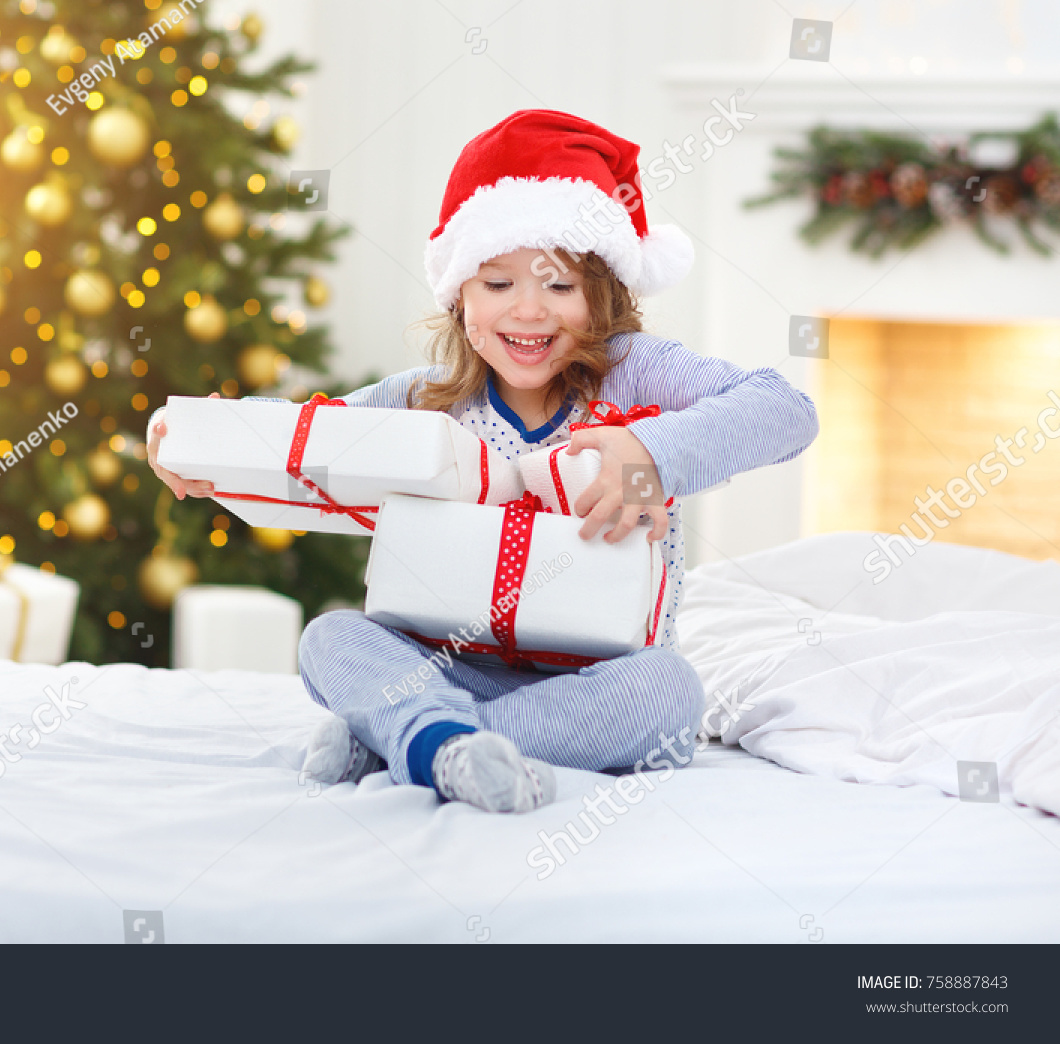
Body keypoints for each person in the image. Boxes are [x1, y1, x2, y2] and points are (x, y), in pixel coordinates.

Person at [147, 110, 818, 813]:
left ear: (604, 293)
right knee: (332, 637)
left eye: (559, 286)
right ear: (459, 297)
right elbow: (301, 438)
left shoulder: (634, 374)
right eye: (498, 285)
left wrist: (650, 454)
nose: (529, 311)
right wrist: (190, 441)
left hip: (590, 683)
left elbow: (787, 410)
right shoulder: (421, 398)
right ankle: (432, 733)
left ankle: (413, 742)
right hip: (436, 666)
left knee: (671, 695)